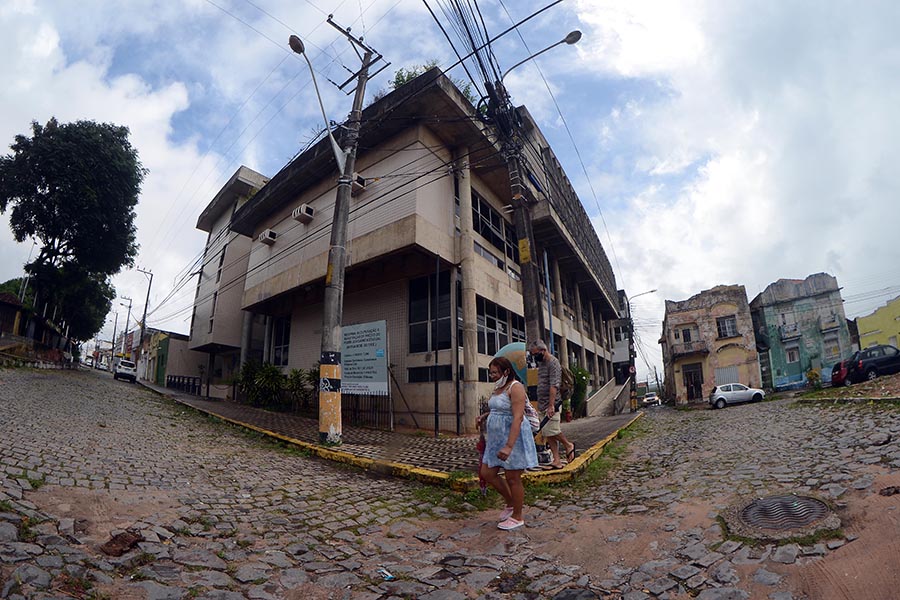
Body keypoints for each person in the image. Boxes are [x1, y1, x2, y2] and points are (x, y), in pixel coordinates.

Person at [478, 356, 538, 530]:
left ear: (506, 371)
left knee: (513, 478)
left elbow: (518, 416)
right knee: (487, 472)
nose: (492, 376)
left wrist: (509, 446)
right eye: (490, 373)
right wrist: (483, 416)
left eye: (495, 372)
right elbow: (498, 409)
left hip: (513, 438)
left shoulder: (515, 387)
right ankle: (511, 503)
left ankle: (518, 516)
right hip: (496, 440)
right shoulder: (498, 388)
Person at [529, 340, 575, 470]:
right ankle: (557, 459)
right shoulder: (541, 363)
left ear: (543, 351)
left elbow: (554, 385)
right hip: (543, 403)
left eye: (536, 354)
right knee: (547, 433)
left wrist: (551, 405)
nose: (534, 356)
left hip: (552, 403)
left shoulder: (553, 363)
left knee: (553, 430)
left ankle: (568, 445)